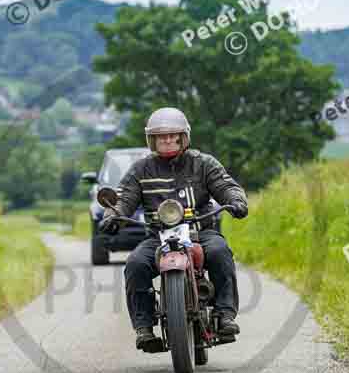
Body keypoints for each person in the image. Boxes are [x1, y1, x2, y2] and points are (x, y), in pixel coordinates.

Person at [99, 107, 249, 350]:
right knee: (135, 264)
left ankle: (225, 315)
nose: (167, 140)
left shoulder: (203, 163)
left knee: (221, 252)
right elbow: (123, 197)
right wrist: (112, 215)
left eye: (172, 135)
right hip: (157, 238)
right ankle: (144, 327)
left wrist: (236, 200)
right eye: (161, 136)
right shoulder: (141, 170)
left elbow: (225, 185)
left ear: (183, 137)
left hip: (200, 232)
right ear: (152, 140)